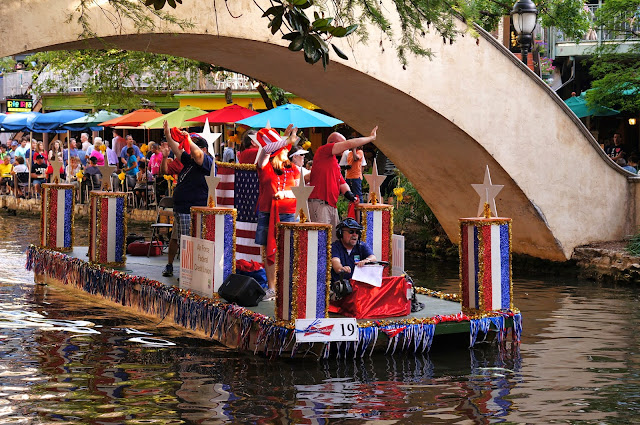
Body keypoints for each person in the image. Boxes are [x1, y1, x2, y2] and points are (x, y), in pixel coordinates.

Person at [161, 120, 214, 277]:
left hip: (192, 208)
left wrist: (188, 140)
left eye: (194, 145)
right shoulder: (190, 161)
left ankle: (188, 274)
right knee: (183, 240)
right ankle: (186, 272)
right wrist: (168, 135)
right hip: (182, 208)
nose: (189, 147)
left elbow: (197, 154)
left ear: (204, 148)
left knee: (188, 242)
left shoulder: (206, 162)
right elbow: (178, 151)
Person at [254, 125, 300, 300]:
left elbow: (297, 190)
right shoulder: (264, 165)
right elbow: (266, 149)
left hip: (288, 213)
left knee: (288, 250)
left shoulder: (293, 169)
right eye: (284, 149)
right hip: (267, 213)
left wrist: (285, 194)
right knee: (269, 251)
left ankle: (287, 285)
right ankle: (272, 288)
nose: (287, 151)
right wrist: (287, 138)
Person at [308, 126, 378, 239]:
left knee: (334, 239)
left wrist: (351, 196)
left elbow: (341, 182)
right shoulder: (323, 150)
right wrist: (370, 138)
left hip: (331, 204)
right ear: (334, 143)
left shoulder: (334, 161)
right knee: (321, 240)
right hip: (320, 203)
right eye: (342, 144)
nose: (345, 149)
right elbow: (350, 144)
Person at [330, 218, 376, 283]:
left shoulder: (361, 245)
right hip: (340, 288)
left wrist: (366, 260)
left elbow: (373, 258)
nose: (354, 235)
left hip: (358, 287)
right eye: (351, 232)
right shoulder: (335, 247)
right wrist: (342, 269)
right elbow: (336, 263)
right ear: (340, 233)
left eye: (357, 232)